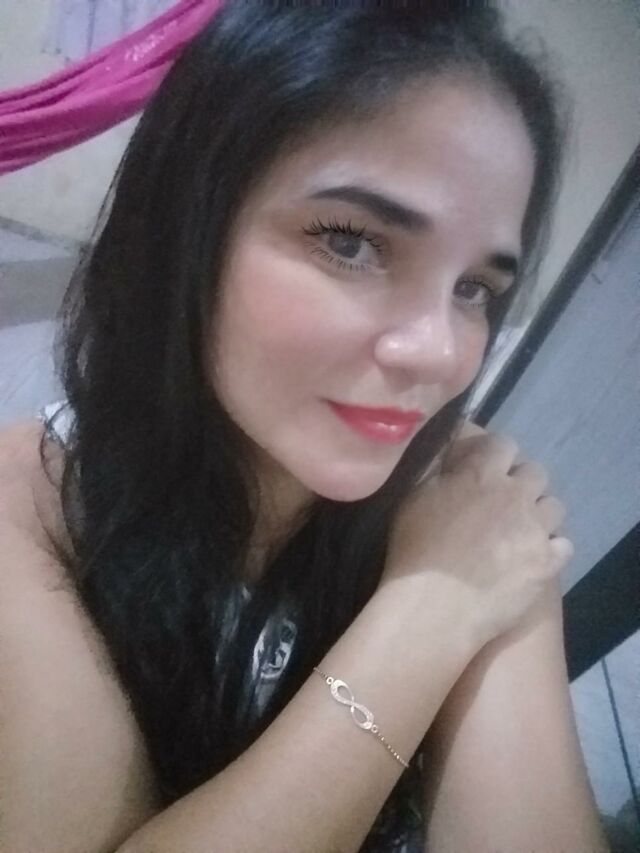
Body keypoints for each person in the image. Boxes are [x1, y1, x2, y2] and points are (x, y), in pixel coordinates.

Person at [0, 2, 611, 852]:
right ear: (188, 222)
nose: (439, 354)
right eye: (352, 243)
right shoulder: (32, 504)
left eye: (474, 289)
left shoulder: (472, 506)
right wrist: (434, 605)